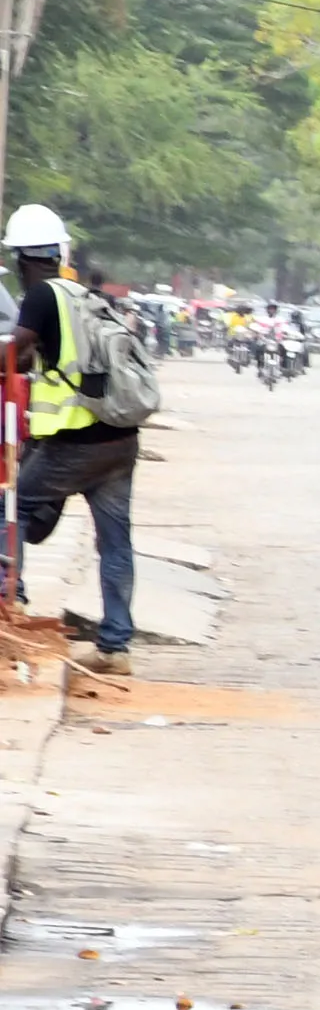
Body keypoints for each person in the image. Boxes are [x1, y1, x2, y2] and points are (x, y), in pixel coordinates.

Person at [6, 204, 140, 677]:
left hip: (77, 442)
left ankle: (12, 602)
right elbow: (47, 358)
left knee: (12, 508)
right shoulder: (81, 294)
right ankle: (115, 647)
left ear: (22, 258)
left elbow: (15, 352)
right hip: (120, 438)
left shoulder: (41, 295)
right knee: (115, 541)